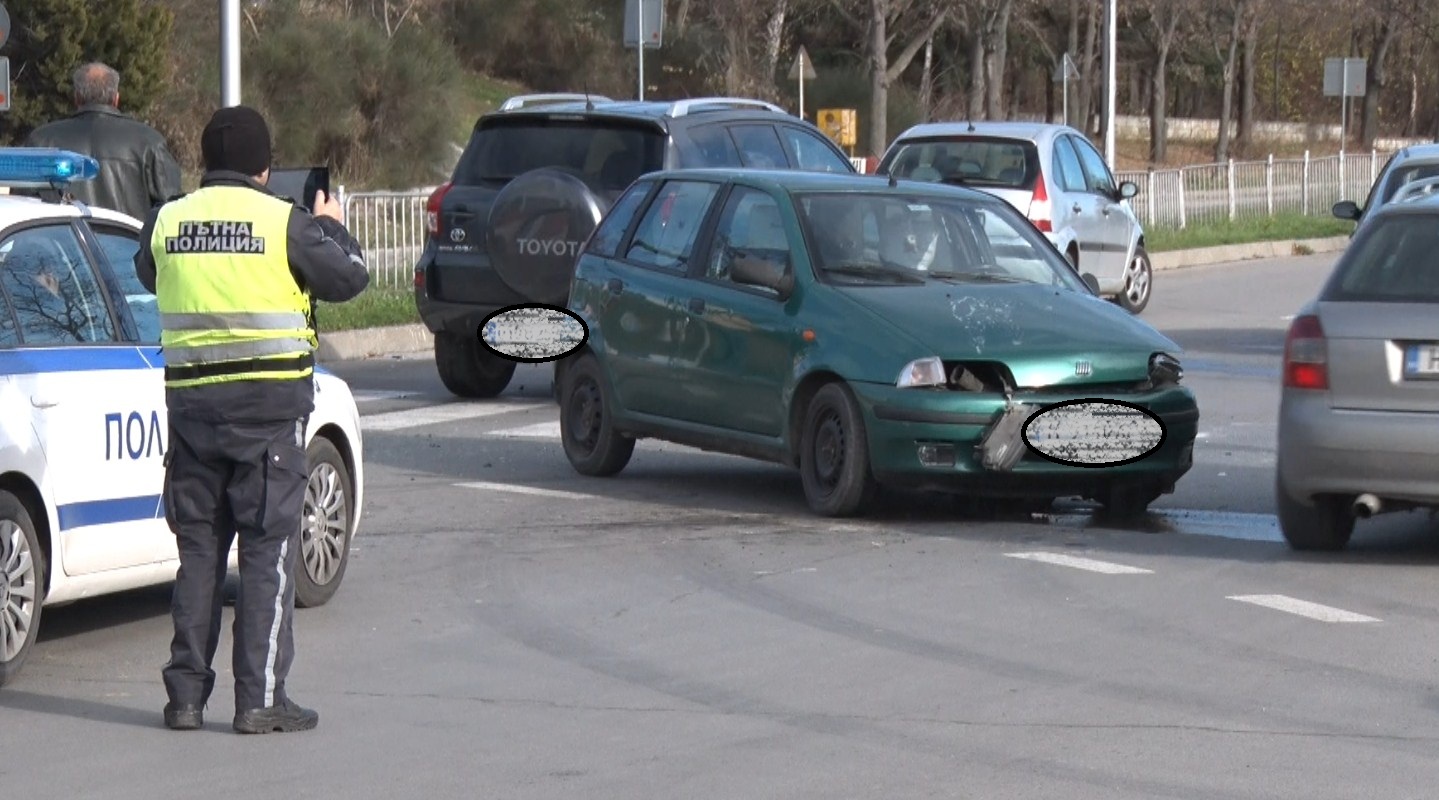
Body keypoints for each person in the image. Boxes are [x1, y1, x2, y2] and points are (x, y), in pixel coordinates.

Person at [133, 104, 370, 734]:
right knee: (268, 552)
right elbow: (352, 277)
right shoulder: (284, 223)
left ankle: (185, 699)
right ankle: (259, 698)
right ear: (266, 168)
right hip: (268, 419)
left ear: (206, 162)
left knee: (200, 555)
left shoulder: (166, 222)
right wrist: (333, 227)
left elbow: (148, 272)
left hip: (191, 415)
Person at [24, 62, 182, 220]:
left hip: (61, 243)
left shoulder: (41, 141)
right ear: (116, 98)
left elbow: (21, 207)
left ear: (77, 98)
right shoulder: (150, 142)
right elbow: (173, 212)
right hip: (130, 242)